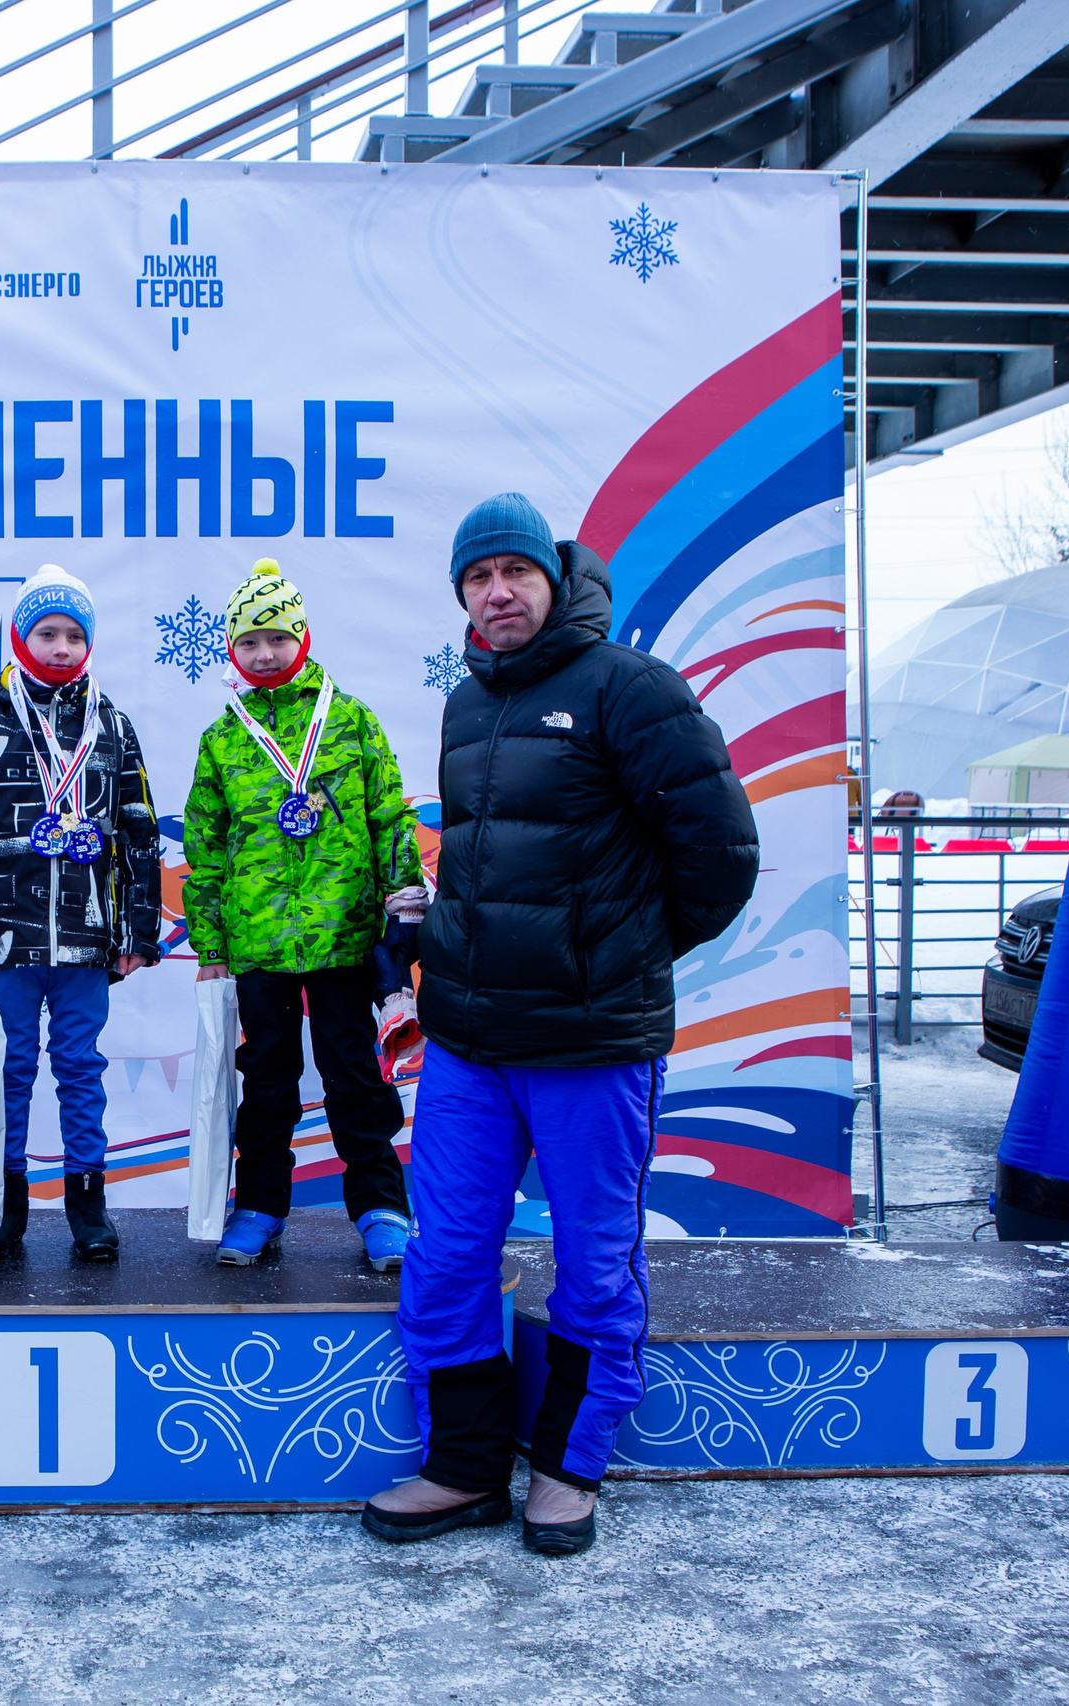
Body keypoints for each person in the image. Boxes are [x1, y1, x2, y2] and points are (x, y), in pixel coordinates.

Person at [362, 493, 757, 1558]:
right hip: (470, 1043)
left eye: (515, 573)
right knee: (444, 1252)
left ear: (553, 578)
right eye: (477, 577)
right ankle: (461, 1463)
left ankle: (568, 1465)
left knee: (590, 1258)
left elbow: (722, 857)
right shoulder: (464, 705)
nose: (497, 592)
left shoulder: (629, 688)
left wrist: (616, 955)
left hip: (591, 1042)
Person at [182, 558, 426, 1273]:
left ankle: (382, 1206)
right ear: (233, 650)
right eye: (249, 643)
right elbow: (207, 845)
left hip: (343, 939)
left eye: (277, 640)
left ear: (303, 636)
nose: (264, 655)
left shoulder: (348, 720)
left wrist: (402, 913)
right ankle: (259, 1206)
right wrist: (212, 943)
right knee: (266, 1081)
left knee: (354, 1076)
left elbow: (390, 818)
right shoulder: (224, 738)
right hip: (258, 944)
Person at [0, 564, 163, 1263]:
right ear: (20, 636)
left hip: (86, 941)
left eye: (73, 634)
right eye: (47, 633)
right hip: (5, 938)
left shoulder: (112, 725)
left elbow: (138, 831)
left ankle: (87, 1204)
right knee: (5, 1073)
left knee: (79, 1067)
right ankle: (0, 1208)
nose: (61, 647)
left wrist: (138, 929)